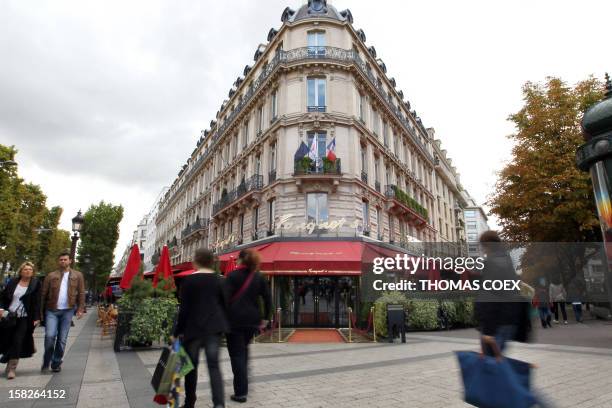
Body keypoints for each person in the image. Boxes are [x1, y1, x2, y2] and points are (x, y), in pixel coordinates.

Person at [173, 248, 227, 408]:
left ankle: (190, 402)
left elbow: (184, 310)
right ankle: (219, 404)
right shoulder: (220, 280)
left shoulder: (188, 281)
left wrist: (177, 332)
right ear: (212, 262)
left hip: (193, 330)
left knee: (191, 367)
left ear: (195, 261)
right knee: (214, 366)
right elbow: (224, 305)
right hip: (213, 329)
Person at [225, 249, 271, 403]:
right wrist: (266, 318)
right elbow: (267, 298)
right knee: (243, 350)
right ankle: (244, 380)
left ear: (241, 260)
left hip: (234, 321)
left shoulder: (232, 276)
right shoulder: (258, 277)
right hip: (252, 321)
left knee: (237, 355)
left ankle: (240, 392)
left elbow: (224, 299)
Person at [474, 231, 530, 356]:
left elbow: (488, 298)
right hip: (508, 322)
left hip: (494, 324)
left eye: (482, 246)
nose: (482, 250)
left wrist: (487, 332)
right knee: (495, 363)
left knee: (490, 366)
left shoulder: (491, 264)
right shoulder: (507, 262)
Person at [40, 250, 85, 373]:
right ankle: (46, 360)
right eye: (61, 259)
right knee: (50, 336)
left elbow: (81, 293)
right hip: (51, 311)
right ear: (58, 261)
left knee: (62, 339)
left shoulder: (78, 275)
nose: (63, 261)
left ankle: (56, 363)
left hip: (68, 311)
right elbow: (43, 294)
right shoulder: (51, 276)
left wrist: (80, 309)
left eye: (65, 259)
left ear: (70, 261)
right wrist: (39, 314)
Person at [0, 262, 41, 379]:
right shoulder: (13, 282)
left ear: (33, 272)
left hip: (25, 318)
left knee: (18, 341)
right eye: (25, 269)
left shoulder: (35, 284)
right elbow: (3, 297)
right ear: (21, 271)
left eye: (30, 269)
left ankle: (12, 368)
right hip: (9, 316)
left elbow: (38, 301)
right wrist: (1, 309)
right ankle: (7, 358)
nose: (27, 271)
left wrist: (37, 317)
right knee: (7, 340)